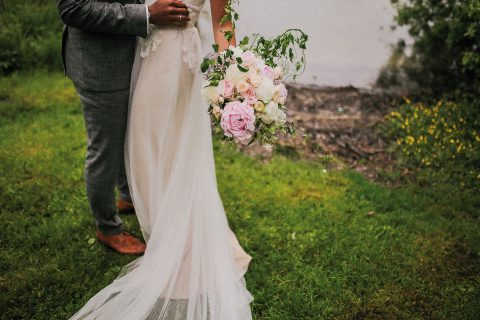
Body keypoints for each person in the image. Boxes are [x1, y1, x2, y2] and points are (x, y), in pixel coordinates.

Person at [65, 0, 253, 319]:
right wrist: (148, 15)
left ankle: (175, 236)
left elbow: (223, 23)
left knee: (173, 150)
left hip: (176, 62)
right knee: (144, 149)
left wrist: (237, 80)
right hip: (141, 57)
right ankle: (143, 221)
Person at [58, 0, 193, 254]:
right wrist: (146, 14)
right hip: (101, 65)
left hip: (143, 53)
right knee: (105, 148)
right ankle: (107, 227)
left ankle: (128, 196)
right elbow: (73, 8)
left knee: (130, 132)